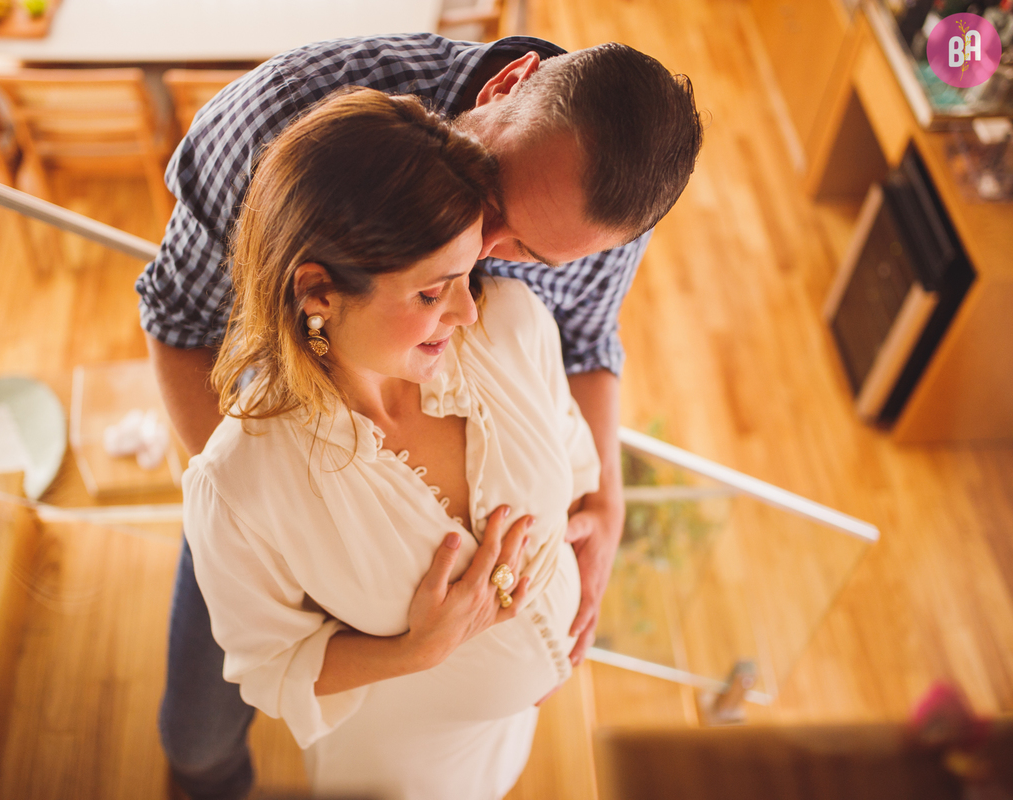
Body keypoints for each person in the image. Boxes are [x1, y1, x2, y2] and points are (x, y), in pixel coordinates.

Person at [136, 33, 702, 799]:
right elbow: (177, 328)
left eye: (530, 254)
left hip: (475, 749)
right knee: (197, 737)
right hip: (267, 473)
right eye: (493, 204)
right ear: (505, 87)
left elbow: (585, 345)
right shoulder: (266, 127)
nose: (487, 263)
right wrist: (305, 530)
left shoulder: (586, 224)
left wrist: (604, 498)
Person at [185, 87, 599, 800]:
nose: (469, 309)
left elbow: (568, 444)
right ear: (317, 289)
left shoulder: (514, 325)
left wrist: (576, 539)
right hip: (405, 767)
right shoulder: (241, 483)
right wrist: (417, 651)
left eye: (470, 272)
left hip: (502, 737)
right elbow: (269, 666)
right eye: (432, 293)